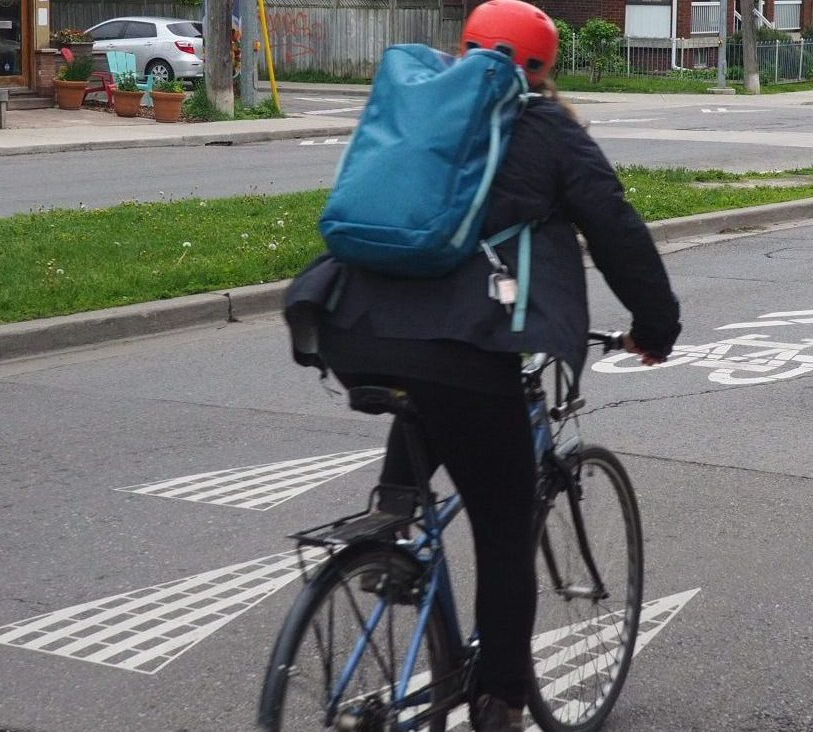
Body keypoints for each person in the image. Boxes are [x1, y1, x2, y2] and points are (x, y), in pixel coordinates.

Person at [282, 1, 681, 729]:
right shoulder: (548, 128)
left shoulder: (419, 103)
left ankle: (393, 515)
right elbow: (615, 228)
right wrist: (657, 326)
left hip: (348, 325)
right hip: (463, 345)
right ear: (543, 67)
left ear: (465, 49)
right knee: (503, 526)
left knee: (426, 395)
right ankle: (499, 700)